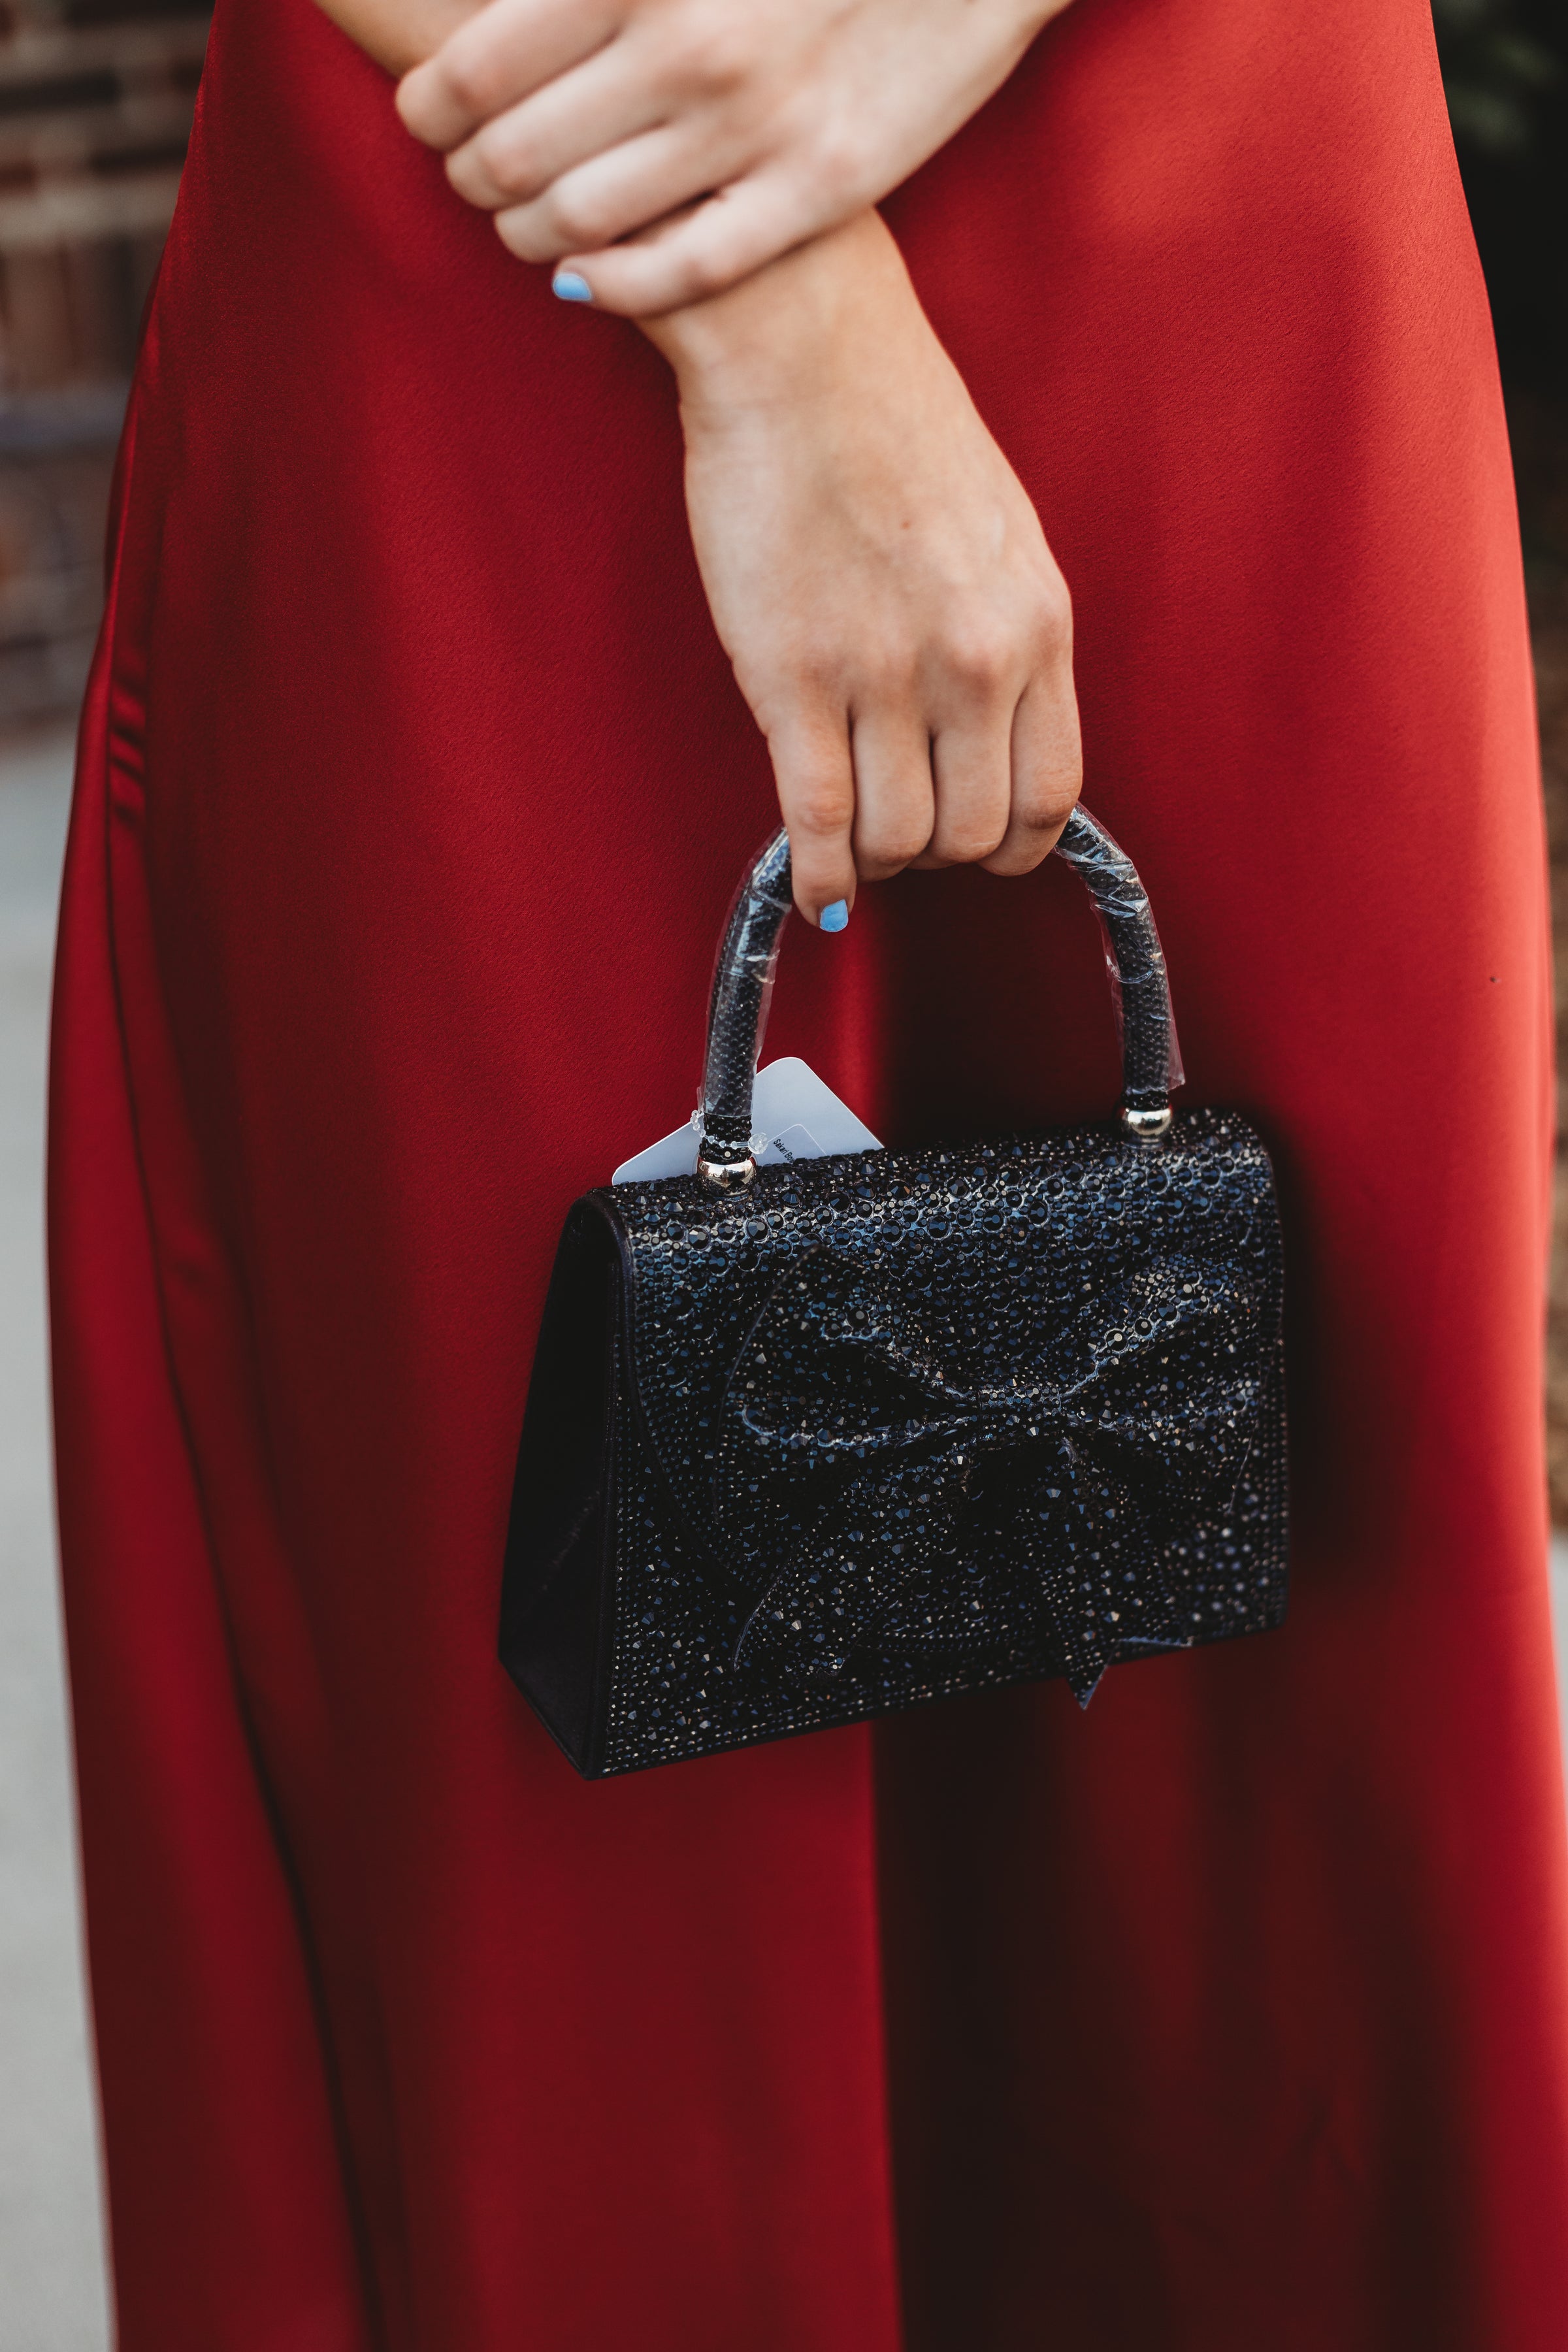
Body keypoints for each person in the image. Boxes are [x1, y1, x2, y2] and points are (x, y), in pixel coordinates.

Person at [46, 0, 1568, 2344]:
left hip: (1226, 246)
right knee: (597, 1886)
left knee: (1270, 1827)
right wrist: (772, 298)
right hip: (515, 251)